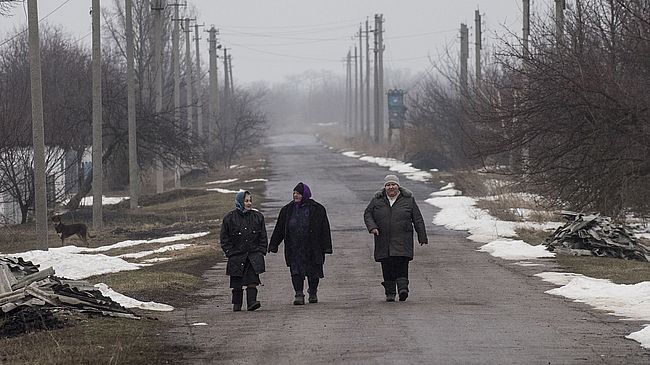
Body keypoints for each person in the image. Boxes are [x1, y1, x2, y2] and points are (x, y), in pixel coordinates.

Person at [363, 174, 428, 302]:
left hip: (402, 238)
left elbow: (417, 218)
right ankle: (390, 292)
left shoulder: (408, 199)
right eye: (388, 185)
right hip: (383, 239)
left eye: (393, 184)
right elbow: (367, 214)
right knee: (386, 265)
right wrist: (372, 227)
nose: (391, 187)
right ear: (385, 187)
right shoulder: (377, 199)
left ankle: (403, 289)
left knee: (401, 263)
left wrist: (422, 235)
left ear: (398, 186)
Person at [268, 182, 332, 305]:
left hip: (313, 247)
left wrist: (327, 247)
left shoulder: (317, 209)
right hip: (294, 247)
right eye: (294, 193)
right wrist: (274, 244)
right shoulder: (287, 210)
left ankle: (312, 292)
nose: (295, 195)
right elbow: (280, 228)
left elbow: (325, 229)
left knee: (313, 271)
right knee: (296, 271)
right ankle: (298, 293)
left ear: (305, 194)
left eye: (298, 193)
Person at [220, 190, 268, 311]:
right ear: (240, 202)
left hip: (253, 255)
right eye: (246, 201)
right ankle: (237, 304)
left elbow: (263, 236)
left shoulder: (258, 217)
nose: (249, 203)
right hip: (236, 256)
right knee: (236, 283)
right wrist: (229, 252)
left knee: (252, 280)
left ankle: (252, 302)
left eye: (250, 200)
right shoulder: (229, 218)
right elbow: (224, 238)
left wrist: (261, 250)